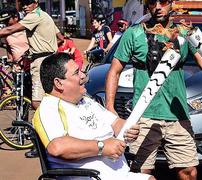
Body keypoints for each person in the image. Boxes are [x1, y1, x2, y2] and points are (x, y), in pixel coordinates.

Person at [105, 0, 202, 179]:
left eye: (163, 2)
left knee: (188, 172)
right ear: (146, 6)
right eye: (152, 2)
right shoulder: (133, 33)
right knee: (140, 174)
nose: (158, 7)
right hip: (143, 117)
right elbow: (114, 71)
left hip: (177, 116)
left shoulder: (184, 32)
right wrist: (110, 109)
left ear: (171, 3)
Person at [34, 52, 155, 180]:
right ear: (58, 83)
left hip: (119, 175)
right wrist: (101, 146)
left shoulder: (86, 101)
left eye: (81, 71)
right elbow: (57, 147)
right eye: (76, 73)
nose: (83, 75)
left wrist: (128, 130)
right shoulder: (49, 108)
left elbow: (115, 122)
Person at [0, 0, 64, 158]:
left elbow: (11, 29)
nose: (25, 6)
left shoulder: (33, 16)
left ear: (35, 3)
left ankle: (41, 144)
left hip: (40, 61)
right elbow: (61, 38)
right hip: (51, 59)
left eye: (28, 3)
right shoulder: (46, 16)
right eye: (23, 4)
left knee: (37, 103)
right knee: (50, 100)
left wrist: (37, 51)